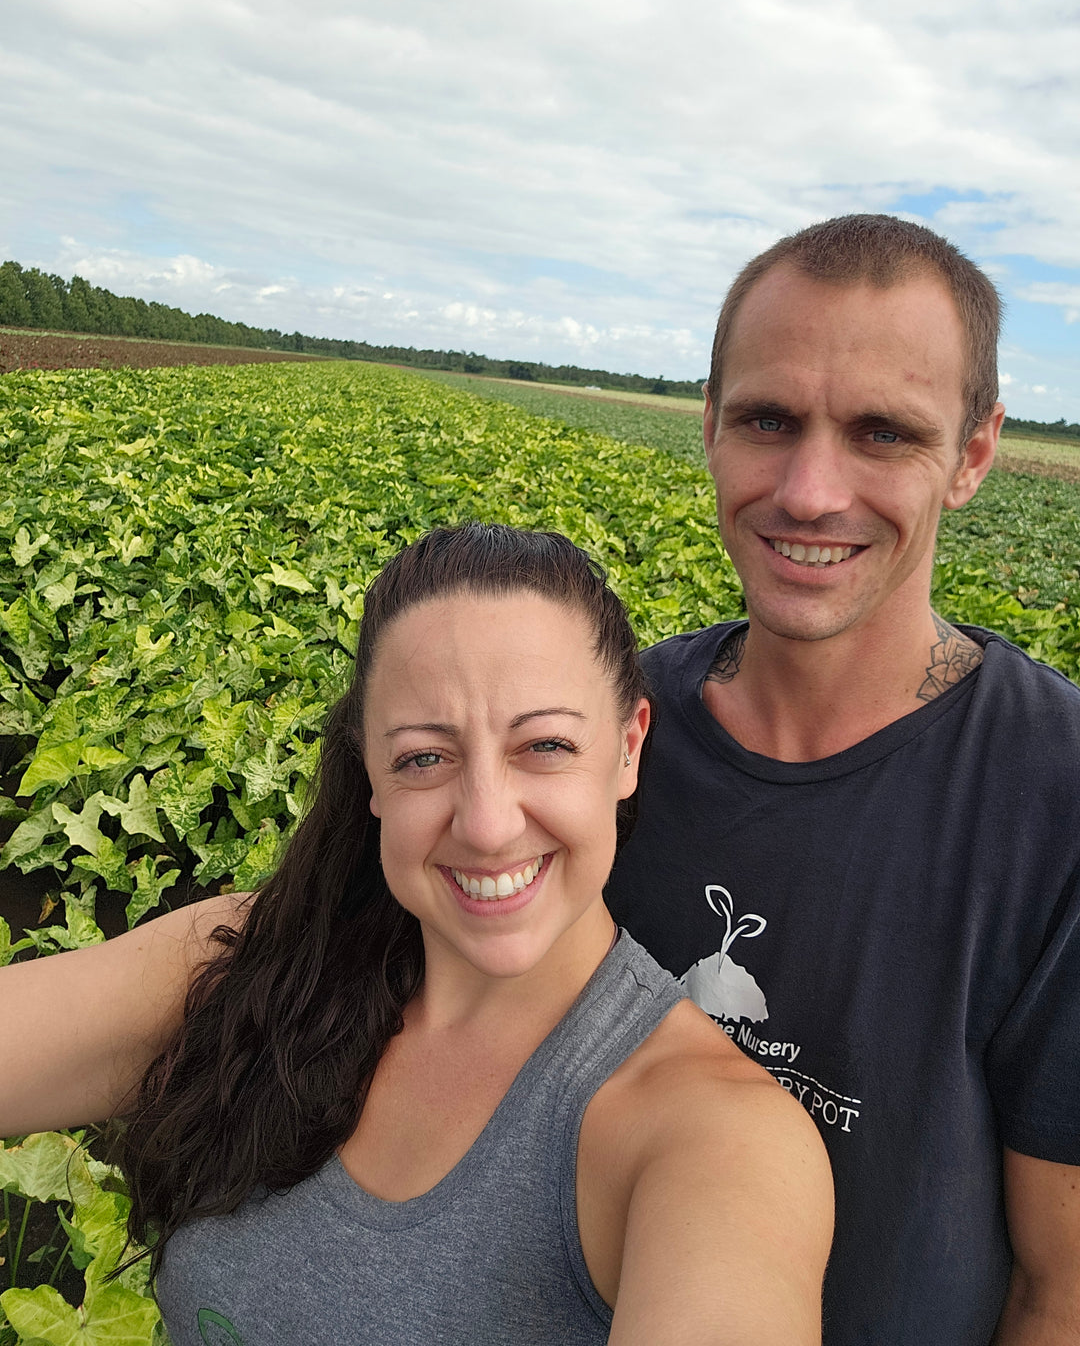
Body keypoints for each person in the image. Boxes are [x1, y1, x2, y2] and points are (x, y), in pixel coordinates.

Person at [0, 523, 832, 1346]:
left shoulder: (715, 1138)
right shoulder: (248, 960)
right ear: (371, 771)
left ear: (627, 749)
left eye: (544, 745)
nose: (487, 823)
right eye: (426, 759)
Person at [606, 214, 1080, 1345]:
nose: (812, 492)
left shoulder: (1056, 798)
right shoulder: (606, 734)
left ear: (973, 456)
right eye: (770, 419)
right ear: (710, 425)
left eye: (883, 434)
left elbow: (1060, 1291)